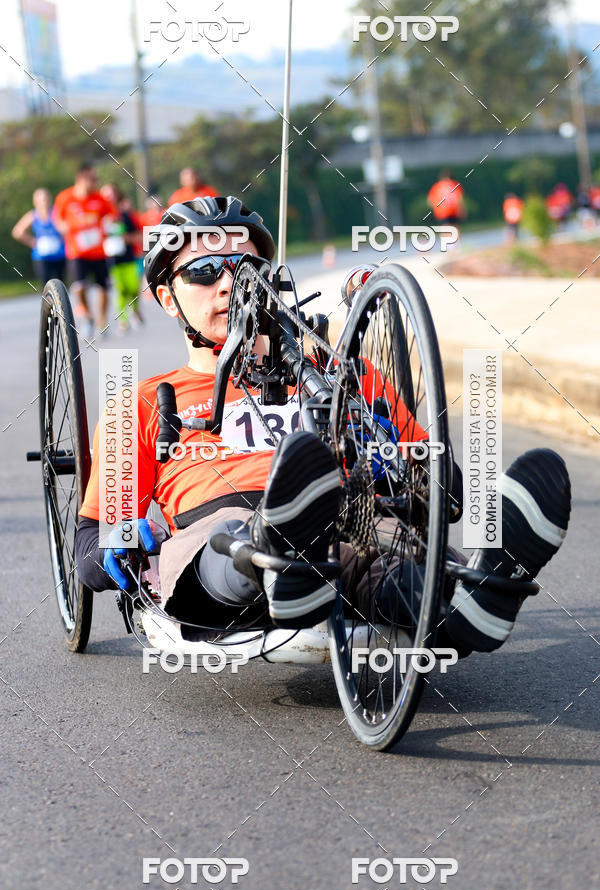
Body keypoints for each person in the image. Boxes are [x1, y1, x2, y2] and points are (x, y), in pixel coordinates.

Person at [75, 196, 571, 656]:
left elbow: (449, 494)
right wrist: (117, 543)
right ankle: (282, 557)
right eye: (204, 272)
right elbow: (90, 550)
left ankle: (468, 603)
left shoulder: (340, 373)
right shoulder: (137, 402)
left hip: (347, 513)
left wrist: (394, 458)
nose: (228, 284)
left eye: (245, 268)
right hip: (215, 529)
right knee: (236, 536)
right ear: (167, 297)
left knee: (379, 549)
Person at [53, 162, 116, 338]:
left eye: (96, 179)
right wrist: (66, 227)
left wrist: (108, 224)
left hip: (98, 251)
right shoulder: (65, 197)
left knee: (103, 287)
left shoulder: (99, 198)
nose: (96, 182)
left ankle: (102, 322)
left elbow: (112, 215)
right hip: (77, 251)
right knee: (79, 287)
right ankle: (88, 316)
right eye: (92, 179)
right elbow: (58, 220)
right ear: (81, 179)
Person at [100, 183, 143, 333]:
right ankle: (123, 320)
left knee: (133, 288)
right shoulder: (99, 218)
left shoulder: (125, 215)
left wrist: (126, 238)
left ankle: (135, 310)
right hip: (110, 261)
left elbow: (139, 235)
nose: (109, 198)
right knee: (120, 291)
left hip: (128, 258)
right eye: (105, 195)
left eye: (111, 194)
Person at [11, 188, 66, 283]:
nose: (44, 202)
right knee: (45, 284)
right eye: (41, 200)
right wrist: (32, 242)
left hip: (59, 255)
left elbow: (67, 228)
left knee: (60, 284)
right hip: (41, 256)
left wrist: (63, 237)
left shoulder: (57, 213)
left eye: (46, 199)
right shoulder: (33, 215)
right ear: (35, 202)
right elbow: (17, 232)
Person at [427, 171, 466, 238]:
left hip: (441, 211)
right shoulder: (454, 184)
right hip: (453, 209)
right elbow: (459, 198)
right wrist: (462, 209)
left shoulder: (436, 186)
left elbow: (430, 201)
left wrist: (436, 207)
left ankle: (447, 245)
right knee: (454, 227)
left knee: (444, 228)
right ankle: (456, 245)